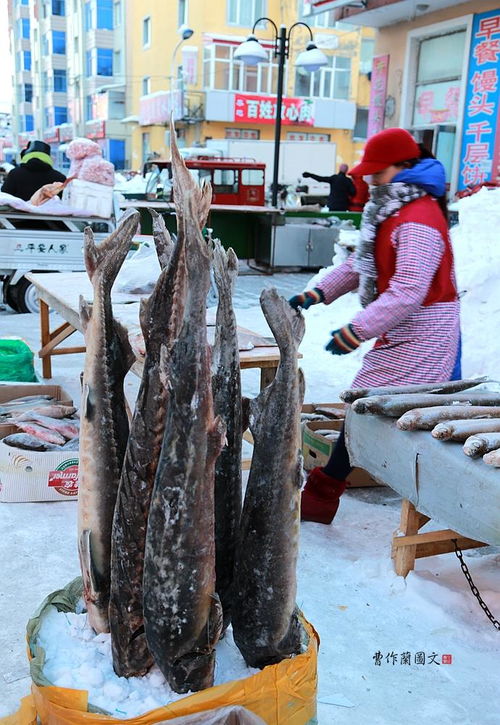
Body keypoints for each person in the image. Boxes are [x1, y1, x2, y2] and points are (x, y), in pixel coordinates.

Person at [289, 127, 460, 525]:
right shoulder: (393, 207)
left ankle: (326, 495)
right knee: (370, 410)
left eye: (377, 172)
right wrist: (319, 293)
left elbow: (408, 289)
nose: (368, 179)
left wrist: (356, 331)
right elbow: (361, 264)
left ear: (404, 168)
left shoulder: (418, 217)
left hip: (425, 330)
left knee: (374, 409)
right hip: (402, 323)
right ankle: (324, 494)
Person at [2, 140, 66, 201]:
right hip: (50, 212)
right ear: (48, 157)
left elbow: (4, 197)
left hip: (17, 212)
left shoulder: (14, 174)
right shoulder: (60, 178)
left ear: (25, 156)